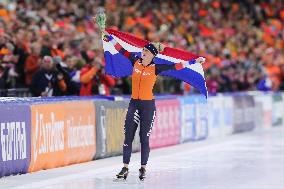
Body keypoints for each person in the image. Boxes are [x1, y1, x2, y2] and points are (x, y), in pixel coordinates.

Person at [93, 16, 205, 180]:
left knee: (144, 138)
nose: (142, 53)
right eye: (142, 51)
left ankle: (143, 167)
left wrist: (195, 61)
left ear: (152, 55)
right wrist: (106, 35)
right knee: (128, 136)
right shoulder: (135, 61)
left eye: (145, 52)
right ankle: (125, 168)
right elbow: (120, 49)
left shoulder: (156, 68)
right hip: (134, 103)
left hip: (147, 106)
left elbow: (177, 66)